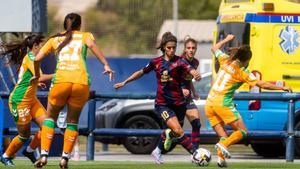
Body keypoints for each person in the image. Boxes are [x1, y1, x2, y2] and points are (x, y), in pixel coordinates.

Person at [31, 13, 114, 168]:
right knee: (72, 121)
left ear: (64, 24)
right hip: (80, 82)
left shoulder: (54, 39)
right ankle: (64, 158)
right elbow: (94, 48)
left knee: (50, 119)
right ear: (80, 25)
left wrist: (36, 76)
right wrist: (106, 65)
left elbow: (36, 59)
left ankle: (43, 156)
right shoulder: (85, 36)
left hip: (60, 81)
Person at [114, 32, 201, 164]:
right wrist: (125, 82)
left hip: (179, 103)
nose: (172, 50)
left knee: (175, 132)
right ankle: (196, 154)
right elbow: (140, 72)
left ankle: (157, 150)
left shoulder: (180, 61)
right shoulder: (156, 62)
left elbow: (191, 70)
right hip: (163, 104)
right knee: (178, 130)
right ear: (164, 48)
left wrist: (196, 74)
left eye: (174, 48)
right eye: (169, 48)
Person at [206, 34, 292, 167]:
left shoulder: (225, 60)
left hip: (209, 103)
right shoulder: (242, 72)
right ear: (246, 60)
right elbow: (262, 84)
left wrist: (227, 40)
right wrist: (282, 87)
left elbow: (214, 48)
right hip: (221, 103)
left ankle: (221, 159)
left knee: (223, 134)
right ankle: (222, 145)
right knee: (243, 132)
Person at [0, 34, 53, 166]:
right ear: (35, 46)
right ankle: (5, 156)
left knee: (47, 125)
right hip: (19, 100)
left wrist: (35, 84)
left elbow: (32, 77)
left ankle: (29, 151)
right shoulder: (30, 58)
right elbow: (39, 77)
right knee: (24, 135)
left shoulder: (34, 58)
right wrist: (59, 74)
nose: (43, 47)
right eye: (41, 45)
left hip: (31, 99)